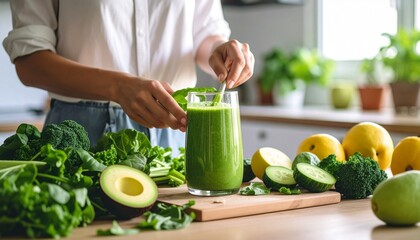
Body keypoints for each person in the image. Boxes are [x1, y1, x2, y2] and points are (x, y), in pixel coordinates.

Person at [2, 1, 254, 154]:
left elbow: (204, 33)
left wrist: (218, 49)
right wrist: (118, 87)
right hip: (82, 133)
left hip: (178, 130)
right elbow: (30, 62)